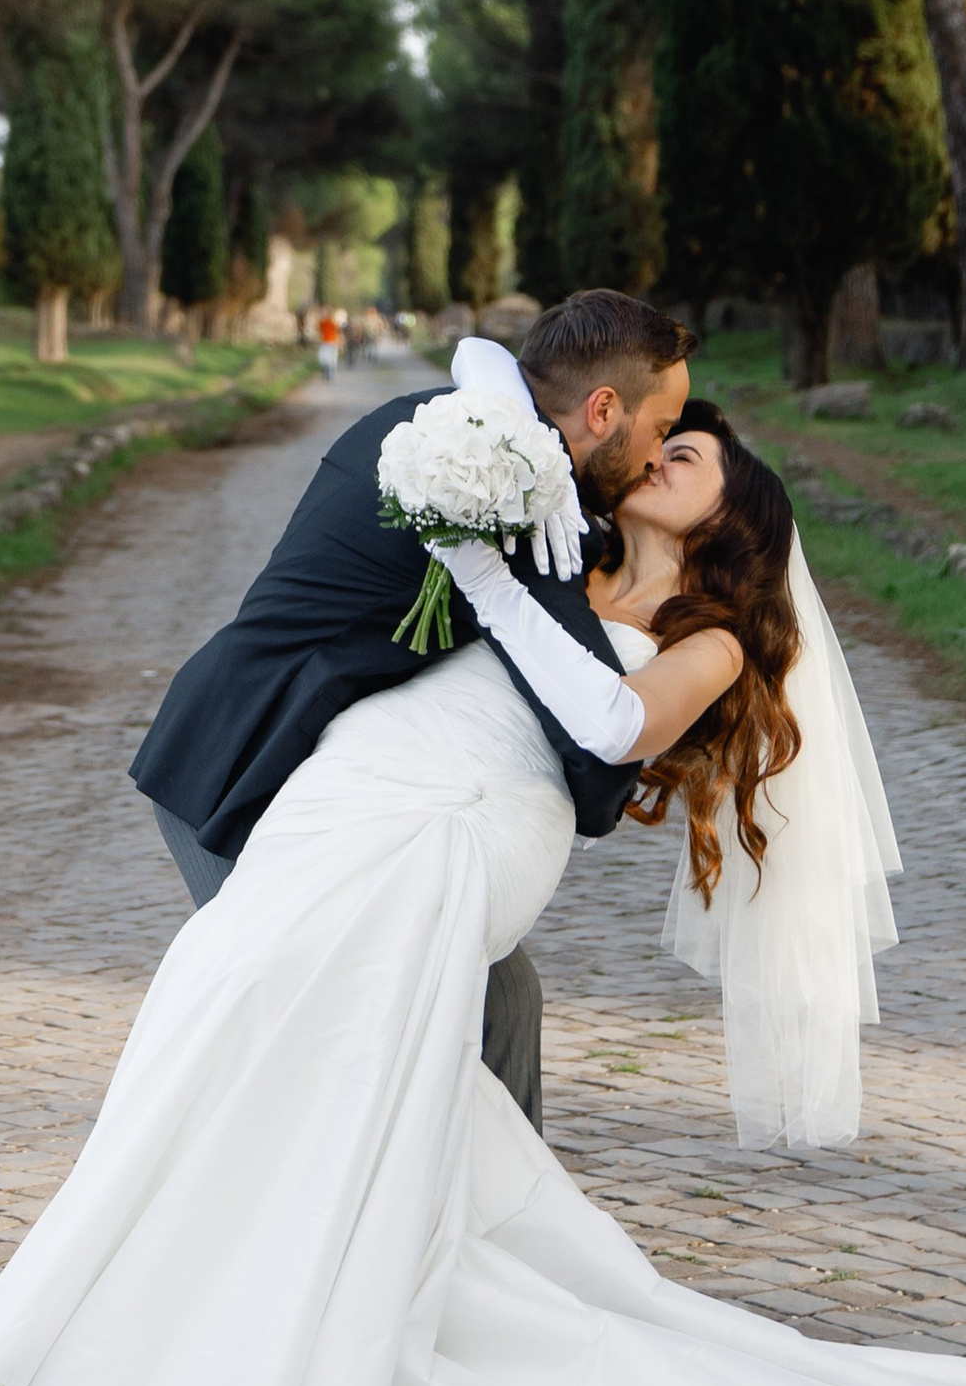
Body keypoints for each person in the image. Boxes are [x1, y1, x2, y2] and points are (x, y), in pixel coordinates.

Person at [0, 400, 966, 1386]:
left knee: (311, 1068)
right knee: (224, 1043)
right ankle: (177, 1372)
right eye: (664, 439)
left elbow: (612, 723)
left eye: (693, 457)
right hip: (350, 797)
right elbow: (482, 393)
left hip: (447, 835)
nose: (666, 454)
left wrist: (495, 583)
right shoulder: (560, 545)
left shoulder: (712, 638)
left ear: (732, 522)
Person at [132, 289, 688, 1127]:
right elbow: (584, 719)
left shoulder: (445, 418)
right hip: (239, 775)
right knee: (316, 1032)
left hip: (325, 782)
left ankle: (496, 1225)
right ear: (604, 409)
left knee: (503, 998)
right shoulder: (506, 481)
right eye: (658, 432)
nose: (657, 459)